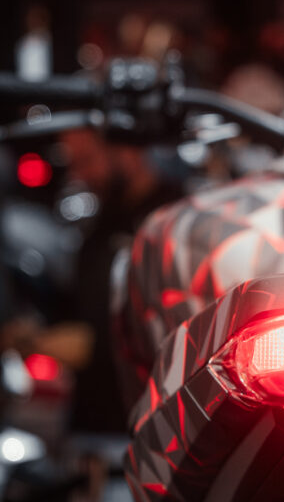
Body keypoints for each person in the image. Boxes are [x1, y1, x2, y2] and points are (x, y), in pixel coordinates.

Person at [6, 130, 182, 433]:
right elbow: (80, 307)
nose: (79, 175)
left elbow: (174, 335)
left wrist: (92, 345)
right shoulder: (99, 226)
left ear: (128, 151)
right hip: (92, 423)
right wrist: (34, 332)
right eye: (73, 164)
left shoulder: (174, 222)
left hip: (150, 427)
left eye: (86, 160)